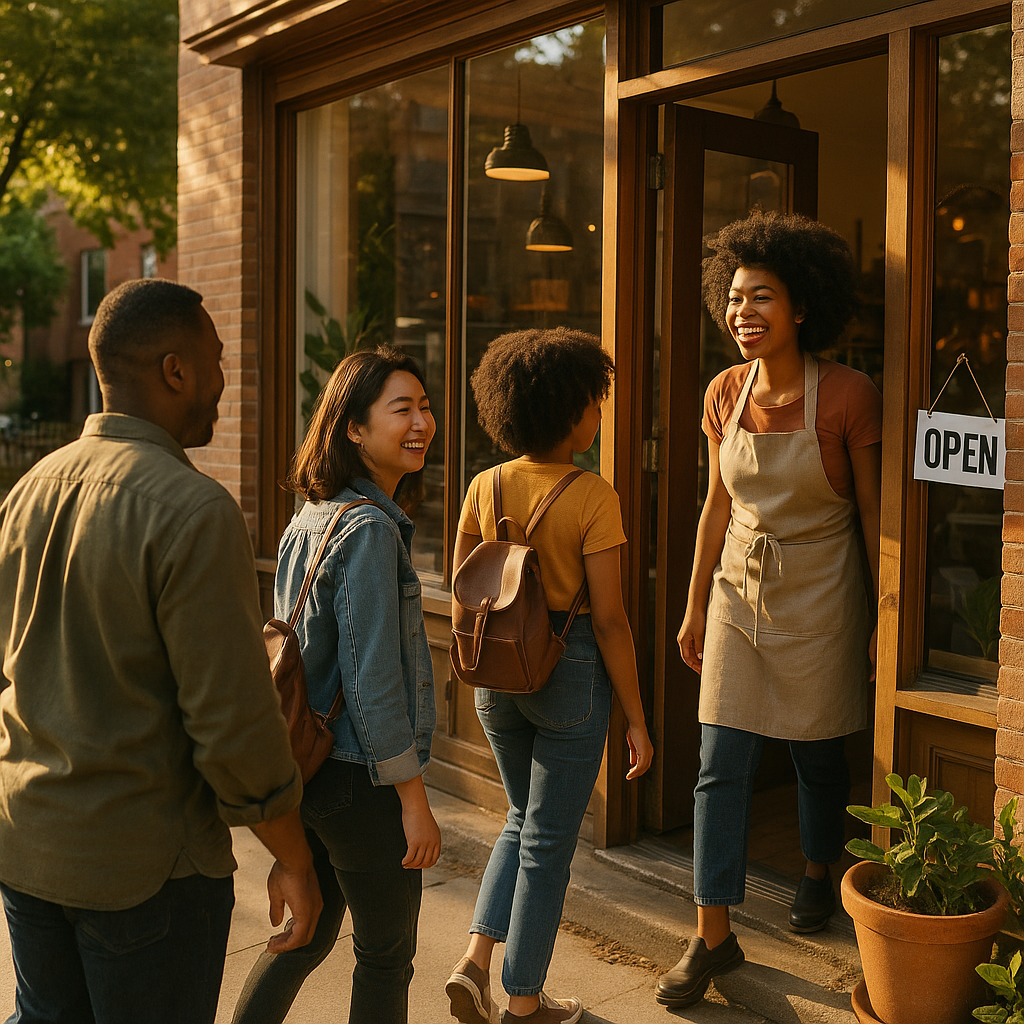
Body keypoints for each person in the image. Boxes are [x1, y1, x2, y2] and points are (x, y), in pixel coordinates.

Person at [0, 279, 322, 1024]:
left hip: (27, 843)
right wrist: (294, 857)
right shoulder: (195, 508)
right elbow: (233, 726)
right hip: (143, 872)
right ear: (174, 370)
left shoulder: (29, 490)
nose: (222, 383)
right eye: (215, 361)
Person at [655, 211, 882, 1008]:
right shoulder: (725, 392)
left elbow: (874, 519)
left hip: (825, 588)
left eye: (763, 299)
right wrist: (691, 608)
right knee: (720, 764)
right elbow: (714, 508)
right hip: (735, 593)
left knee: (818, 752)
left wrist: (884, 620)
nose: (744, 313)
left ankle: (819, 866)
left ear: (802, 307)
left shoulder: (851, 394)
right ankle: (712, 933)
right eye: (736, 298)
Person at [445, 327, 654, 1024]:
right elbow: (613, 621)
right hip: (570, 677)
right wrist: (637, 718)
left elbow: (462, 586)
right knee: (546, 844)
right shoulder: (594, 497)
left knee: (519, 817)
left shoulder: (485, 483)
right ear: (571, 411)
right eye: (596, 401)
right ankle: (525, 1000)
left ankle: (475, 962)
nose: (600, 413)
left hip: (496, 676)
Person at [231, 346, 441, 1024]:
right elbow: (373, 678)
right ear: (353, 427)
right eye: (401, 409)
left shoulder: (311, 517)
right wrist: (412, 797)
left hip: (312, 766)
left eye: (425, 407)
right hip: (361, 778)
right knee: (385, 955)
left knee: (306, 930)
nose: (421, 423)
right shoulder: (371, 529)